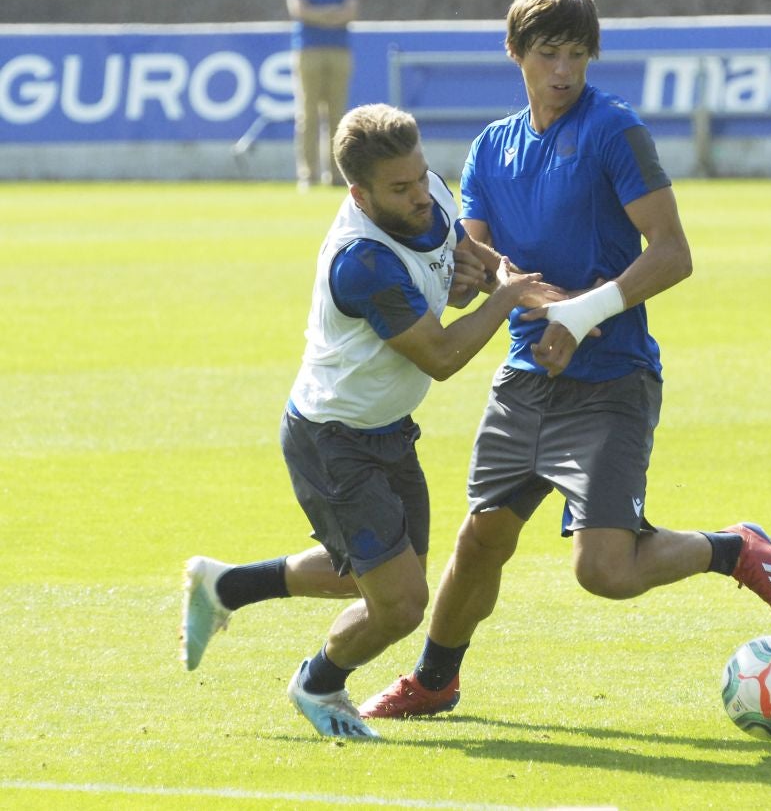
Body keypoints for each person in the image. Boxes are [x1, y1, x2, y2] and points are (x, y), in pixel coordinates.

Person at [356, 0, 771, 720]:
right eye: (547, 54)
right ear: (515, 53)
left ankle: (729, 548)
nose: (562, 71)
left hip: (611, 381)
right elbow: (476, 267)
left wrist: (585, 312)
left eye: (576, 54)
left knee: (604, 571)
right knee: (481, 539)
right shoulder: (490, 150)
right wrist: (508, 290)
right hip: (525, 378)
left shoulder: (613, 131)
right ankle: (434, 680)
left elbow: (671, 253)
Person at [179, 103, 562, 740]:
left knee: (384, 570)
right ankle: (320, 684)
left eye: (421, 177)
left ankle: (226, 586)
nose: (420, 195)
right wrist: (507, 297)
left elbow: (460, 249)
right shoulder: (363, 261)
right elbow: (439, 356)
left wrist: (491, 271)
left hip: (387, 428)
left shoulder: (426, 190)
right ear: (359, 193)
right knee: (402, 603)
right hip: (332, 439)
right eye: (400, 188)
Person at [287, 0, 358, 191]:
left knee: (338, 115)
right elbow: (299, 10)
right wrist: (331, 14)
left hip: (339, 50)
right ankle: (308, 174)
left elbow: (350, 11)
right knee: (308, 114)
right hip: (308, 49)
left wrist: (319, 14)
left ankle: (337, 173)